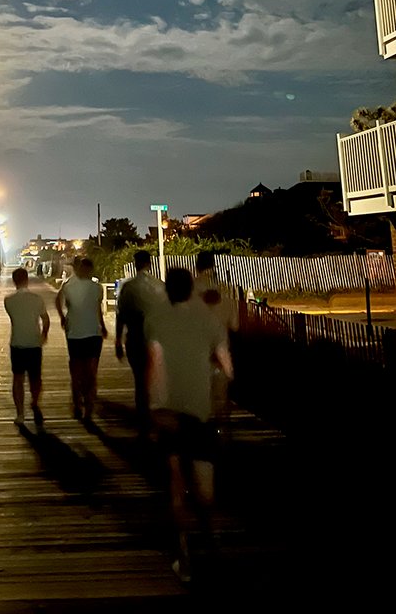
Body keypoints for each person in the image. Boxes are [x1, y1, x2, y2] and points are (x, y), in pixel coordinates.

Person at [146, 265, 233, 584]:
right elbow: (227, 368)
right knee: (205, 487)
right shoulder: (209, 321)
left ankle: (183, 555)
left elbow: (153, 365)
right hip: (201, 412)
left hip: (167, 412)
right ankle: (213, 540)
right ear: (191, 289)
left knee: (176, 485)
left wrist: (152, 409)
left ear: (168, 290)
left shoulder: (155, 319)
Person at [115, 250, 166, 434]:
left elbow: (121, 316)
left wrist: (117, 341)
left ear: (135, 264)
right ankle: (156, 414)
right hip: (157, 338)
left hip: (135, 338)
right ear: (149, 264)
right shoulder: (160, 286)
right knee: (155, 377)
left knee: (139, 380)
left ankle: (143, 413)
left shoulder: (128, 287)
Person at [55, 255, 107, 420]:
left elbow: (58, 300)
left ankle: (77, 403)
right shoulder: (98, 288)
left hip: (75, 334)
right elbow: (97, 309)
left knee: (76, 371)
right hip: (93, 333)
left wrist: (63, 317)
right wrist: (103, 326)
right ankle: (88, 409)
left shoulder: (68, 286)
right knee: (91, 372)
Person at [193, 250, 238, 426]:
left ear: (197, 267)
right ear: (213, 266)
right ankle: (222, 437)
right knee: (221, 400)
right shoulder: (225, 294)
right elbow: (235, 326)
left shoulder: (189, 293)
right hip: (220, 355)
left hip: (196, 356)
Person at [3, 267, 50, 427]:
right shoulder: (37, 299)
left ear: (14, 281)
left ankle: (20, 414)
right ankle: (35, 402)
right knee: (35, 378)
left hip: (17, 342)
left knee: (18, 378)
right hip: (34, 343)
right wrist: (44, 334)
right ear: (27, 279)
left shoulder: (8, 300)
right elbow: (45, 319)